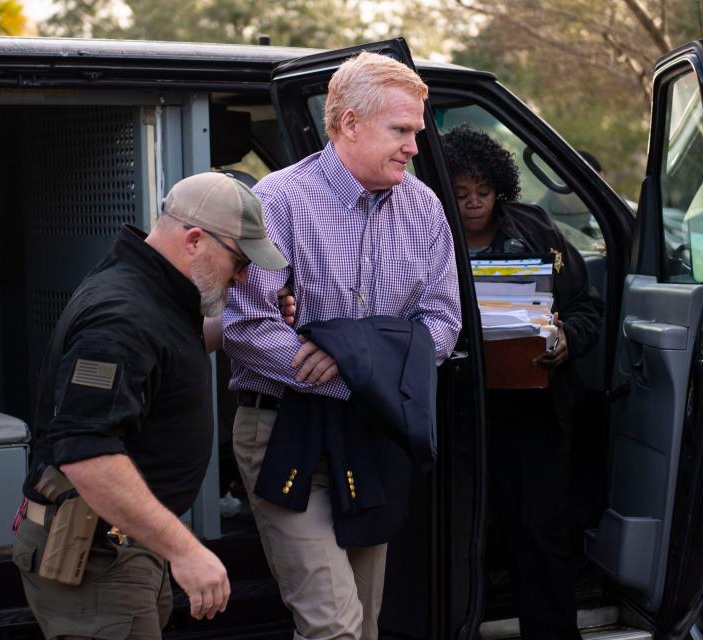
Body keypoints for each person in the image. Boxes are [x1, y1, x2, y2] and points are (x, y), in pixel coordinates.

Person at [223, 52, 461, 640]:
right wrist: (369, 364)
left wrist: (352, 358)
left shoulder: (424, 206)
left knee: (365, 620)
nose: (413, 146)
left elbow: (442, 321)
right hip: (285, 431)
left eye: (416, 131)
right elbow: (246, 327)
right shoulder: (279, 200)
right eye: (400, 130)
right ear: (350, 123)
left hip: (373, 432)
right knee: (334, 626)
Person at [14, 172, 288, 640]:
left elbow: (163, 354)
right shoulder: (122, 315)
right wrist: (185, 550)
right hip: (96, 557)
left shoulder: (154, 289)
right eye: (240, 261)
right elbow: (86, 452)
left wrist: (236, 324)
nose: (243, 278)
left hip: (123, 546)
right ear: (195, 240)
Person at [440, 124, 603, 639]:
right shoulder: (424, 236)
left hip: (534, 413)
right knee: (457, 534)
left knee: (541, 533)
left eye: (483, 192)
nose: (472, 204)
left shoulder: (535, 231)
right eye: (460, 193)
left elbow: (586, 309)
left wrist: (565, 340)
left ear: (501, 188)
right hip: (457, 415)